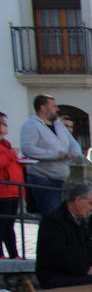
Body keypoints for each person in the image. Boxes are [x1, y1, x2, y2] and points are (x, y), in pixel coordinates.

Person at [20, 94, 82, 218]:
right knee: (51, 216)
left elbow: (73, 142)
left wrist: (75, 153)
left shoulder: (59, 125)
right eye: (53, 106)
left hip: (63, 178)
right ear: (43, 108)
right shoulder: (31, 125)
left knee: (65, 216)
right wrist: (55, 155)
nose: (57, 109)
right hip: (43, 178)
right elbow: (27, 148)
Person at [0, 113, 21, 258]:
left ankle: (14, 253)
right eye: (3, 123)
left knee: (10, 224)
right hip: (3, 190)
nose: (6, 125)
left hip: (13, 189)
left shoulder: (6, 144)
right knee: (2, 223)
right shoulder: (6, 148)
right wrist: (11, 154)